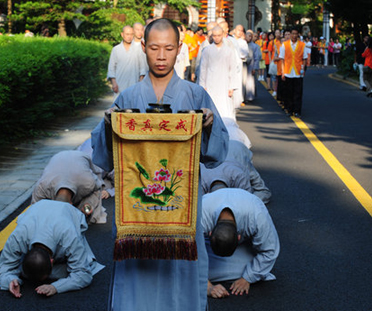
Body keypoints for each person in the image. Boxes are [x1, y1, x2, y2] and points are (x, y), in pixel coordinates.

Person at [91, 18, 229, 311]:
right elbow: (103, 159)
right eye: (154, 48)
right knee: (137, 286)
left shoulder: (194, 96)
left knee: (179, 282)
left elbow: (217, 154)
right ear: (143, 47)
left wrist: (208, 124)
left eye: (168, 48)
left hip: (180, 211)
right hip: (137, 213)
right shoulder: (128, 98)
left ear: (180, 49)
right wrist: (108, 125)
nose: (162, 56)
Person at [0, 199, 105, 298]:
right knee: (63, 274)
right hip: (38, 210)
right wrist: (10, 280)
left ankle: (37, 273)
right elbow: (2, 269)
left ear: (52, 261)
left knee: (85, 266)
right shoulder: (18, 237)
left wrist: (56, 287)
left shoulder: (70, 236)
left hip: (69, 214)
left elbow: (84, 275)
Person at [202, 188, 280, 298]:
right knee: (182, 268)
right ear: (210, 233)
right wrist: (207, 286)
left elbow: (270, 250)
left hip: (246, 245)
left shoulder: (257, 214)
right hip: (206, 245)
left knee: (249, 270)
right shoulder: (200, 211)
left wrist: (247, 278)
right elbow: (187, 249)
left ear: (239, 237)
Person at [31, 150, 107, 224]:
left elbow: (98, 188)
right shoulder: (42, 187)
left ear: (71, 203)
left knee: (88, 213)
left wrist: (89, 205)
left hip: (81, 157)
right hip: (58, 157)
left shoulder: (88, 183)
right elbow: (34, 209)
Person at [200, 139, 272, 204]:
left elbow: (263, 193)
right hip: (223, 149)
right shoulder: (200, 178)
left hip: (237, 151)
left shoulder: (240, 173)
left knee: (258, 193)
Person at [199, 26, 238, 121]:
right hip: (210, 82)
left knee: (224, 107)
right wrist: (202, 85)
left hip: (224, 82)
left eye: (219, 35)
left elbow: (233, 68)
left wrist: (232, 86)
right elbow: (203, 68)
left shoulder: (229, 50)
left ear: (223, 35)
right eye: (214, 35)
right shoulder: (207, 50)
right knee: (211, 105)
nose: (216, 38)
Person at [107, 25, 146, 98]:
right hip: (119, 84)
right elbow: (111, 68)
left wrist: (140, 83)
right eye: (127, 34)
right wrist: (114, 83)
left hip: (134, 84)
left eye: (131, 34)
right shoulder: (116, 49)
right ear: (122, 34)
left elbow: (142, 68)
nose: (129, 36)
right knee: (119, 107)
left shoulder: (138, 49)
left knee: (133, 107)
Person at [280, 27, 309, 118]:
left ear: (298, 35)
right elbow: (282, 59)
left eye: (296, 33)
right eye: (292, 33)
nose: (294, 35)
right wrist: (282, 72)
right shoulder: (285, 45)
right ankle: (289, 109)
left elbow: (304, 59)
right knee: (288, 92)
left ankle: (297, 110)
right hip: (288, 71)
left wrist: (302, 69)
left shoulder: (302, 45)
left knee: (298, 92)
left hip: (297, 72)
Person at [245, 30, 261, 102]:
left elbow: (257, 58)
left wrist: (255, 68)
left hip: (251, 66)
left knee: (250, 82)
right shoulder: (243, 44)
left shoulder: (255, 46)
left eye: (250, 36)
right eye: (248, 36)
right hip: (244, 66)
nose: (249, 37)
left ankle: (250, 97)